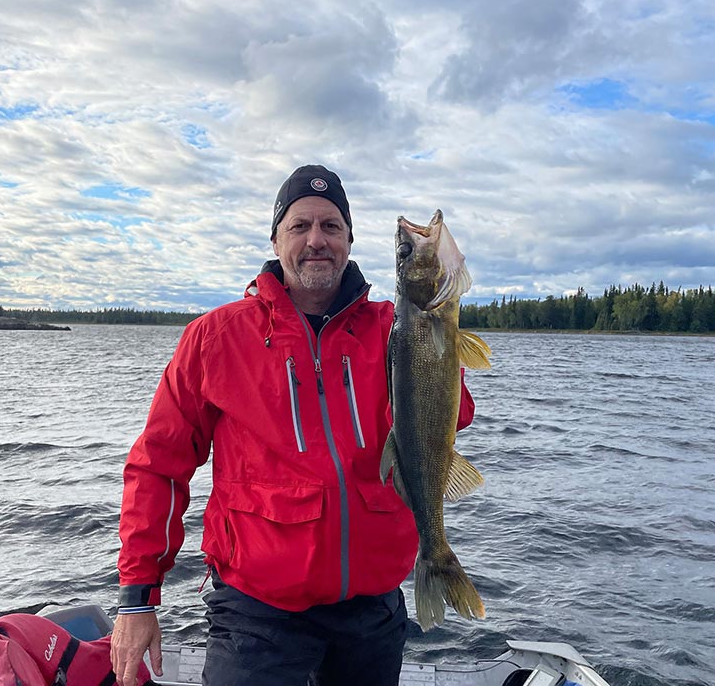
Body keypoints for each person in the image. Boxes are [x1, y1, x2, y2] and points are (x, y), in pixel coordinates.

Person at [110, 165, 475, 686]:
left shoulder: (394, 329)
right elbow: (157, 467)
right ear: (276, 238)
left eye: (330, 226)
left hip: (372, 610)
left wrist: (440, 338)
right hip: (257, 616)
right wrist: (137, 600)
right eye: (299, 226)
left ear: (349, 239)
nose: (316, 240)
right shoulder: (214, 338)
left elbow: (452, 417)